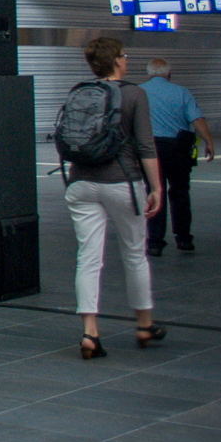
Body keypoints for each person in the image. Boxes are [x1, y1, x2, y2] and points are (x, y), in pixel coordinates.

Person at [64, 37, 164, 359]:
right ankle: (144, 324)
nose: (126, 57)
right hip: (122, 182)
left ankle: (90, 332)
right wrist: (156, 188)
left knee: (88, 258)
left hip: (80, 182)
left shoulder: (79, 92)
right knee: (134, 254)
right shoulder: (134, 93)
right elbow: (146, 146)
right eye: (124, 54)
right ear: (117, 61)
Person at [142, 57, 216, 257]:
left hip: (150, 150)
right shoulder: (182, 92)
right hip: (177, 150)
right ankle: (183, 239)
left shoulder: (139, 92)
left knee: (154, 192)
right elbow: (197, 119)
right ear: (169, 73)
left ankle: (155, 242)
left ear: (149, 74)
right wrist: (208, 141)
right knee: (180, 192)